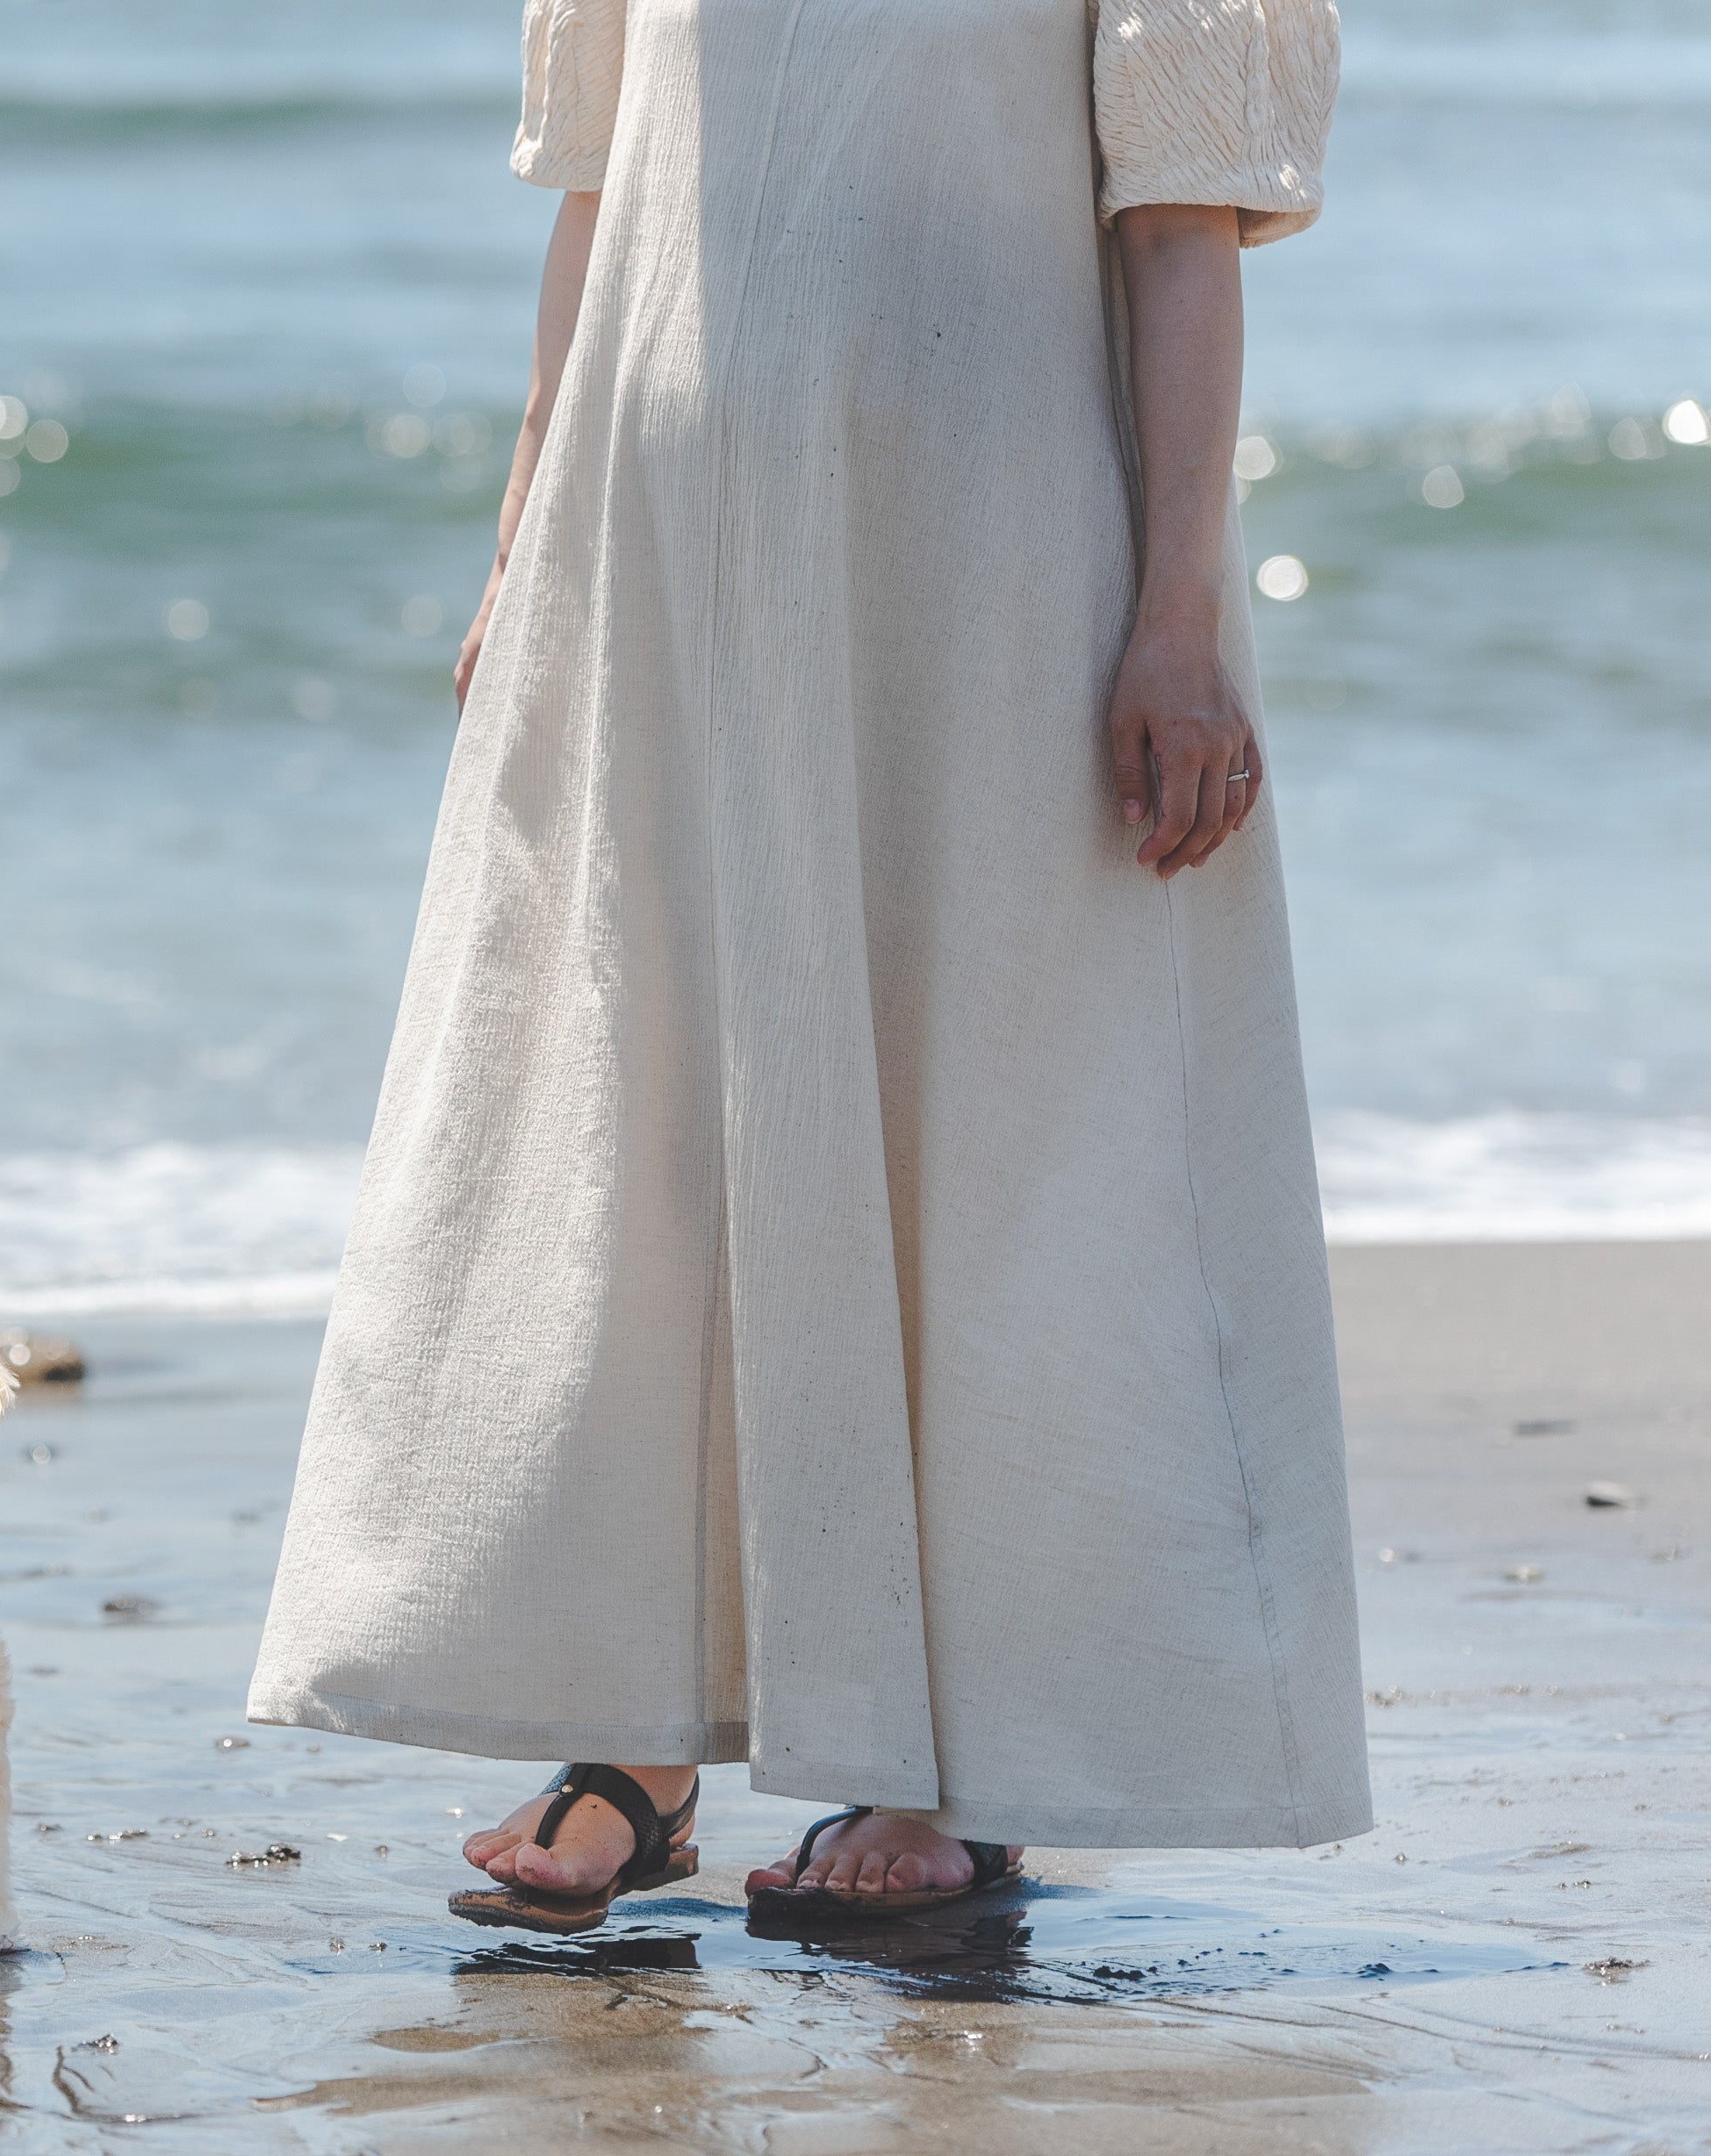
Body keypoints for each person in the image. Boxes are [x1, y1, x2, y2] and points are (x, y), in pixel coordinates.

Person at [246, 0, 1370, 1924]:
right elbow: (603, 198)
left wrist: (1179, 611)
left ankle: (967, 1760)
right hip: (663, 519)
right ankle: (636, 1731)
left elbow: (1177, 225)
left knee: (995, 1108)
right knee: (645, 1100)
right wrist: (524, 534)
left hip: (996, 531)